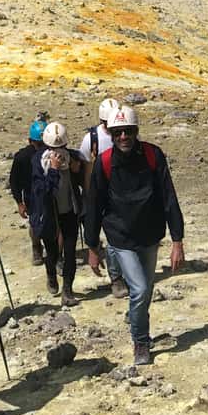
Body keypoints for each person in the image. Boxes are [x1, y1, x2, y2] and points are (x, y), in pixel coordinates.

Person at [84, 105, 186, 365]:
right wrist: (93, 247)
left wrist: (177, 240)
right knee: (139, 290)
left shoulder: (153, 155)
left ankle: (139, 323)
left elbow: (168, 196)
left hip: (150, 234)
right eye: (118, 133)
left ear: (136, 131)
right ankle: (141, 341)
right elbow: (93, 204)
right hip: (120, 237)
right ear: (111, 132)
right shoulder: (104, 162)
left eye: (128, 132)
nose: (123, 138)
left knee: (146, 289)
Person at [78, 96, 128, 297]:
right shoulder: (91, 139)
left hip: (121, 194)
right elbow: (83, 168)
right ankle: (116, 278)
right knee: (113, 240)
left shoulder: (124, 135)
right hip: (99, 195)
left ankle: (123, 274)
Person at [30, 122, 84, 306]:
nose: (58, 151)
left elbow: (84, 179)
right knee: (52, 252)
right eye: (54, 148)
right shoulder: (38, 162)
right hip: (49, 214)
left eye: (61, 147)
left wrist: (78, 170)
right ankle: (51, 274)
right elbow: (42, 191)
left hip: (69, 211)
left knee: (70, 252)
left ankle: (67, 290)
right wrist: (53, 169)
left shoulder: (73, 157)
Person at [8, 118, 47, 265]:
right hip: (32, 196)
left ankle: (57, 253)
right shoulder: (22, 158)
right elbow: (14, 181)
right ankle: (36, 247)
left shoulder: (53, 153)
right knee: (35, 224)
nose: (42, 147)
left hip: (51, 192)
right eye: (39, 144)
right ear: (30, 141)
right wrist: (19, 202)